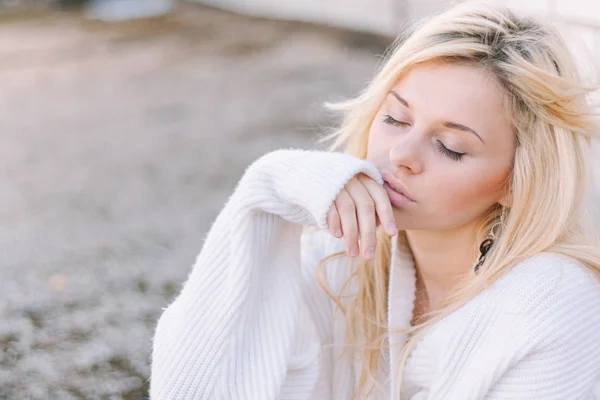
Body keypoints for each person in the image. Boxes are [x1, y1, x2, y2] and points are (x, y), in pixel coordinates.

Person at [149, 1, 600, 399]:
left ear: (516, 180)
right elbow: (190, 389)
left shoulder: (551, 303)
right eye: (396, 118)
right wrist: (266, 194)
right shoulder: (346, 258)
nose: (400, 155)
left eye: (450, 147)